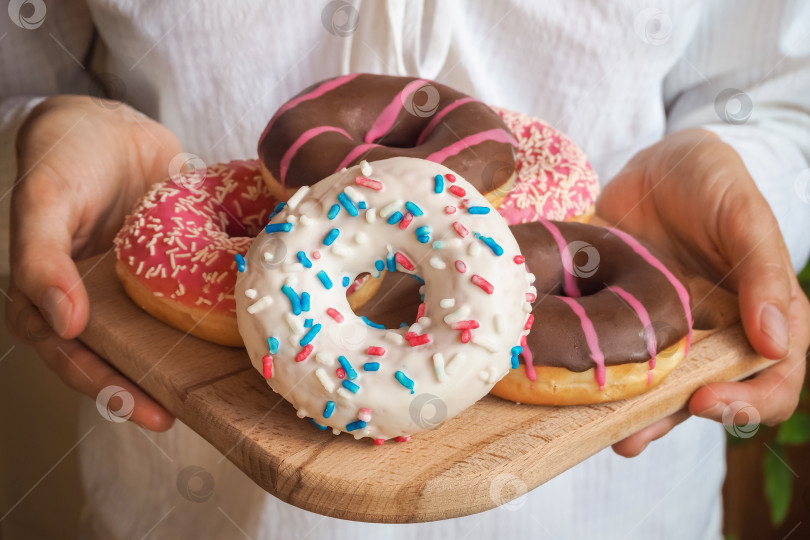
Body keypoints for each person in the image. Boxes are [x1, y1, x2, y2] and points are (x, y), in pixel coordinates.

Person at [2, 1, 809, 538]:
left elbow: (781, 93)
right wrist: (35, 139)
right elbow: (20, 73)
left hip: (612, 509)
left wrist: (742, 188)